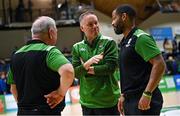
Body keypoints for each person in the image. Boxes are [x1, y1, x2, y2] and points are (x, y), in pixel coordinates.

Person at [7, 16, 74, 115]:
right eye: (56, 31)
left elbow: (13, 88)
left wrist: (24, 107)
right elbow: (68, 71)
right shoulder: (50, 51)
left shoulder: (16, 55)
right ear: (51, 32)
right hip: (46, 111)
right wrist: (60, 93)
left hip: (22, 112)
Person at [112, 4, 166, 115]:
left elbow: (160, 64)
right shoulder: (124, 41)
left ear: (123, 17)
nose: (112, 23)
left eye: (114, 18)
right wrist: (124, 95)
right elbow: (129, 72)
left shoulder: (141, 38)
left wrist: (147, 93)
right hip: (130, 100)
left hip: (144, 99)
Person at [72, 11, 120, 115]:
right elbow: (75, 73)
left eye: (96, 23)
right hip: (87, 102)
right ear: (82, 28)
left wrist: (84, 69)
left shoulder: (109, 42)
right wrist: (88, 63)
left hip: (108, 101)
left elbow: (110, 68)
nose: (95, 26)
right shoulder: (77, 47)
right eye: (90, 24)